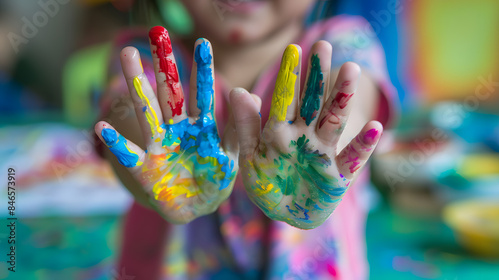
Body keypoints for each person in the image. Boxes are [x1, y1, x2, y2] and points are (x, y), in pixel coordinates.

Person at [93, 0, 396, 279]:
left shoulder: (346, 43)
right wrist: (161, 181)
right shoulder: (146, 57)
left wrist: (328, 151)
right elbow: (131, 135)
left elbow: (353, 114)